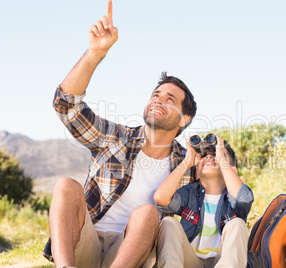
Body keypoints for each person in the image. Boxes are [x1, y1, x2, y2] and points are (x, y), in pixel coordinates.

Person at [43, 0, 197, 267]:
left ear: (184, 119)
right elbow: (66, 106)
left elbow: (222, 198)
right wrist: (94, 53)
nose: (158, 100)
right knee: (66, 186)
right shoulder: (115, 137)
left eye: (170, 99)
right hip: (85, 242)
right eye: (156, 95)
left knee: (148, 213)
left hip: (131, 252)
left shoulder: (187, 165)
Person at [153, 135, 254, 267]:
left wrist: (221, 160)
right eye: (204, 155)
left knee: (237, 224)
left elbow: (244, 198)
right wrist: (187, 161)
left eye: (218, 155)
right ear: (196, 174)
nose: (210, 157)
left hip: (222, 260)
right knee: (168, 223)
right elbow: (161, 198)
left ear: (232, 171)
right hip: (191, 261)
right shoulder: (191, 193)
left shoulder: (233, 198)